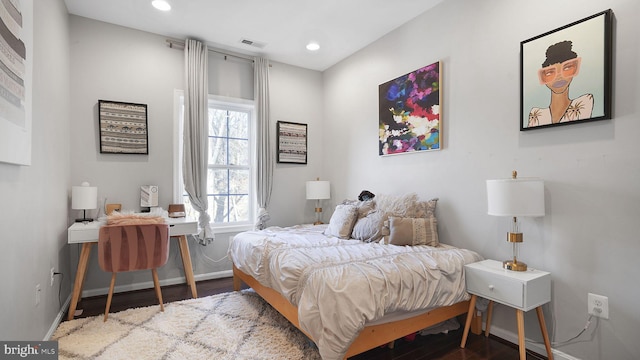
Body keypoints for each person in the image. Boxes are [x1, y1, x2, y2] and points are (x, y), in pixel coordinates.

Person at [528, 40, 593, 127]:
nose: (559, 77)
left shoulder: (584, 101)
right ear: (543, 78)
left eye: (566, 68)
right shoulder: (536, 114)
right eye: (550, 72)